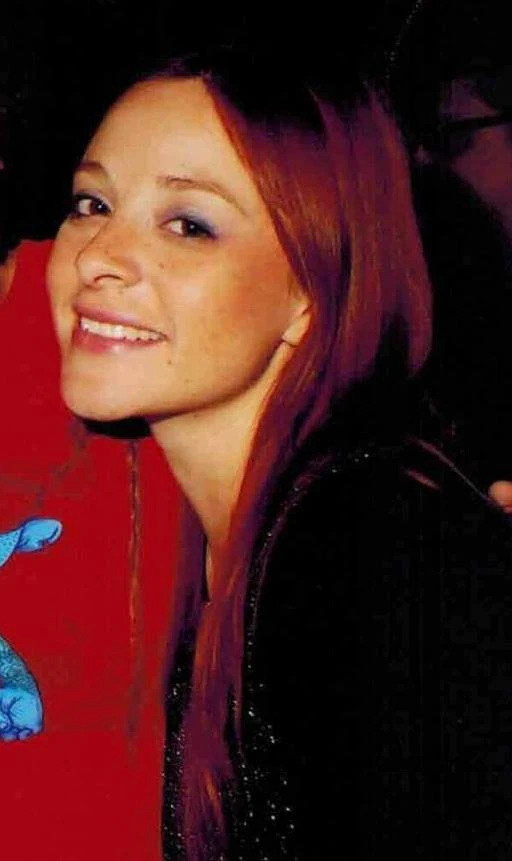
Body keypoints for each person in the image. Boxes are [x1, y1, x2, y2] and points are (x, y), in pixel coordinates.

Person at [46, 48, 512, 860]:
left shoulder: (371, 550)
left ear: (312, 289)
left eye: (188, 224)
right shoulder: (251, 533)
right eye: (93, 202)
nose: (96, 256)